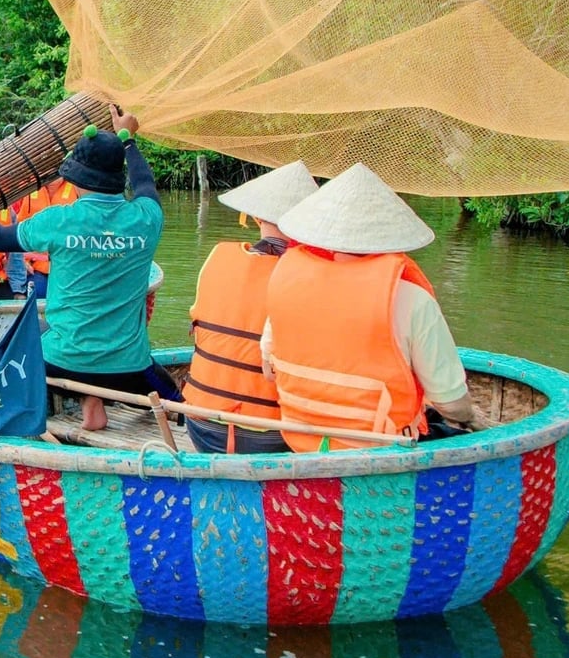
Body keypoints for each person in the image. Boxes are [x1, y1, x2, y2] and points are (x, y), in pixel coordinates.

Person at [0, 107, 176, 432]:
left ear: (76, 180)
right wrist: (129, 140)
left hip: (62, 363)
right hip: (128, 367)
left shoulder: (59, 220)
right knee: (177, 400)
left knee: (28, 348)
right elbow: (145, 184)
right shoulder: (146, 218)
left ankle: (88, 409)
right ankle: (96, 409)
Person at [261, 163, 479, 451]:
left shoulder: (285, 282)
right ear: (392, 236)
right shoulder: (412, 299)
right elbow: (452, 405)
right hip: (382, 451)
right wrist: (472, 418)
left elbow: (269, 370)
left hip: (302, 442)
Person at [178, 161, 318, 454]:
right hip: (273, 436)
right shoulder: (314, 276)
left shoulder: (217, 258)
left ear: (256, 216)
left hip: (201, 426)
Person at [7, 176, 81, 298]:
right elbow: (9, 228)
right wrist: (21, 263)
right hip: (31, 266)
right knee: (35, 293)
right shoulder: (24, 189)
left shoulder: (78, 189)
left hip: (67, 266)